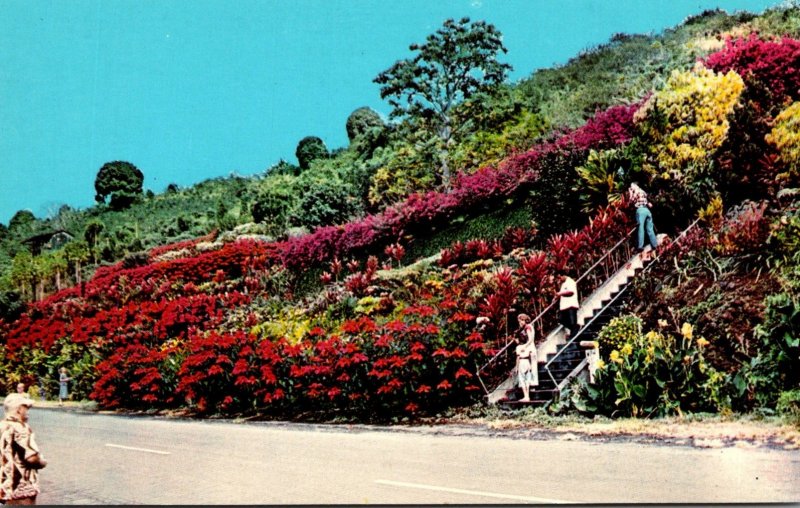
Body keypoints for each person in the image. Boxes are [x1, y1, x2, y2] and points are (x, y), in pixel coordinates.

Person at [0, 393, 47, 504]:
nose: (28, 412)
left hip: (5, 484)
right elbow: (31, 458)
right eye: (26, 408)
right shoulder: (21, 428)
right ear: (19, 409)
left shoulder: (2, 425)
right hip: (22, 486)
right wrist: (42, 462)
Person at [628, 182, 659, 254]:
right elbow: (647, 201)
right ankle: (654, 244)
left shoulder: (635, 192)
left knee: (641, 228)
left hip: (640, 210)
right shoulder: (642, 191)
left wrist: (630, 193)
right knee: (650, 229)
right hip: (647, 210)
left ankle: (640, 246)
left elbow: (631, 201)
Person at [515, 314, 538, 402]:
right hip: (528, 349)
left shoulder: (528, 327)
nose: (520, 323)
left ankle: (532, 386)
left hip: (530, 348)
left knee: (532, 368)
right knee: (530, 369)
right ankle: (530, 388)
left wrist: (524, 346)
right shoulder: (525, 328)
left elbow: (531, 339)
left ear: (524, 320)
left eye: (521, 321)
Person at [557, 271, 579, 338]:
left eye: (560, 277)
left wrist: (560, 294)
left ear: (563, 275)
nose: (560, 279)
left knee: (572, 322)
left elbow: (571, 292)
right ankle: (575, 328)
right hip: (564, 306)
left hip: (571, 305)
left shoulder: (570, 282)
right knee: (561, 320)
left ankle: (573, 335)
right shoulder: (563, 284)